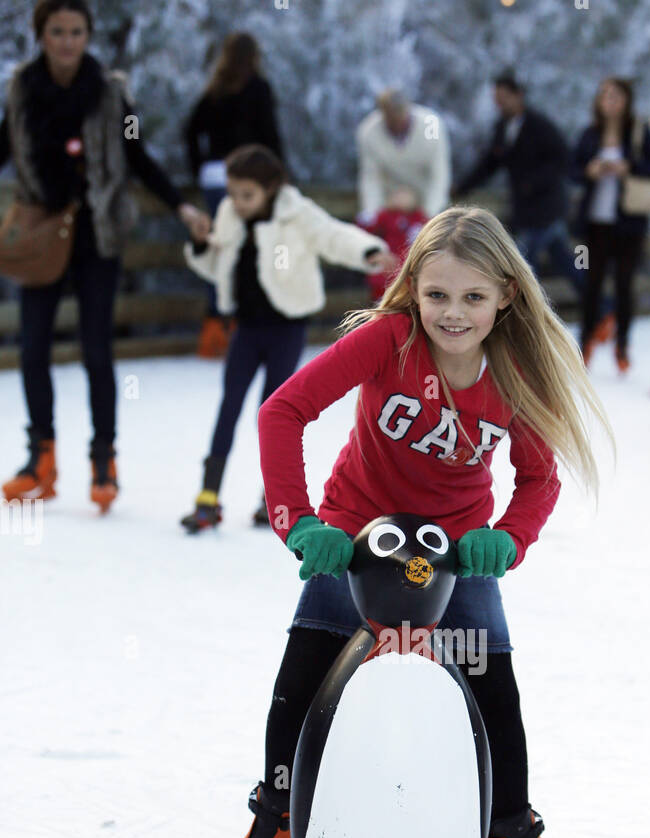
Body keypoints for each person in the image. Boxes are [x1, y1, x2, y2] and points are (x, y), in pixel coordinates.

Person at [193, 205, 613, 838]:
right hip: (356, 541)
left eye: (473, 297)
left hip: (455, 555)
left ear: (505, 296)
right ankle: (280, 820)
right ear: (413, 287)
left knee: (493, 688)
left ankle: (511, 833)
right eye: (438, 294)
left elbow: (538, 480)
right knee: (304, 677)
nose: (454, 313)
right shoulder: (387, 342)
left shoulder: (513, 371)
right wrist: (303, 526)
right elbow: (283, 412)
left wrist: (505, 541)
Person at [0, 0, 210, 510]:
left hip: (98, 233)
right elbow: (4, 144)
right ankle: (40, 459)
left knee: (97, 350)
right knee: (33, 349)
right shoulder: (22, 90)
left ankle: (103, 460)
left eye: (76, 31)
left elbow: (136, 153)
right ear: (42, 35)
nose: (67, 41)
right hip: (40, 230)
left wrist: (181, 206)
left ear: (88, 35)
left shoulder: (114, 94)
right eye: (57, 31)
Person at [180, 144, 390, 532]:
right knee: (229, 406)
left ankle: (271, 500)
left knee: (273, 413)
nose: (238, 203)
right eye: (233, 194)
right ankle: (208, 497)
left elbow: (332, 236)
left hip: (286, 329)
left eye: (247, 195)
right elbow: (216, 266)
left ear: (272, 188)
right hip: (245, 329)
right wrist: (199, 245)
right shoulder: (229, 215)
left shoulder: (297, 214)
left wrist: (369, 250)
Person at [184, 31, 287, 359]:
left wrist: (199, 166)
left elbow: (189, 130)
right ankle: (247, 326)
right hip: (252, 182)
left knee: (221, 247)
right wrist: (279, 177)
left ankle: (217, 329)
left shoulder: (215, 90)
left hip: (216, 178)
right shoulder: (258, 88)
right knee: (251, 250)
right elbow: (271, 135)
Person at [454, 71, 584, 307]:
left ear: (518, 95)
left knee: (521, 265)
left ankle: (522, 314)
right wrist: (463, 187)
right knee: (563, 261)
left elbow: (563, 160)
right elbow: (490, 163)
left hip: (545, 209)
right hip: (526, 210)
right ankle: (602, 307)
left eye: (504, 97)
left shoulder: (540, 126)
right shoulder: (503, 128)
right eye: (497, 99)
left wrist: (533, 182)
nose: (500, 103)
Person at [570, 77, 650, 372]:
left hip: (629, 225)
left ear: (627, 100)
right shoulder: (590, 134)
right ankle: (585, 342)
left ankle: (623, 345)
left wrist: (630, 166)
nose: (610, 101)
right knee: (590, 283)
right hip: (593, 225)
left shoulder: (638, 133)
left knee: (624, 284)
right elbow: (571, 170)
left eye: (616, 95)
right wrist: (591, 170)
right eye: (605, 95)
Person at [356, 88, 451, 222]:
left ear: (408, 108)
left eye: (399, 114)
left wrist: (429, 215)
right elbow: (371, 177)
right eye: (391, 117)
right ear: (382, 114)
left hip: (425, 200)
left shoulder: (432, 125)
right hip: (389, 205)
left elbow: (439, 175)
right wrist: (372, 212)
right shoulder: (368, 131)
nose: (397, 121)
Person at [356, 184, 427, 302]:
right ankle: (380, 301)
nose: (400, 199)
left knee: (408, 280)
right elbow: (366, 227)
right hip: (389, 256)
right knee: (382, 276)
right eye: (397, 196)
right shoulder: (385, 215)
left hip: (409, 260)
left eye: (405, 195)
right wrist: (365, 219)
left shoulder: (419, 217)